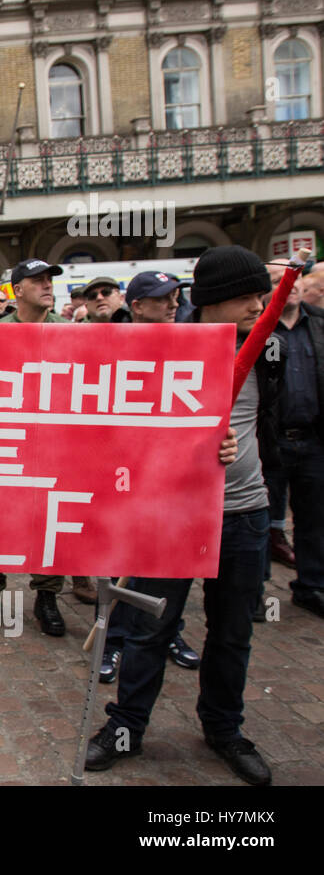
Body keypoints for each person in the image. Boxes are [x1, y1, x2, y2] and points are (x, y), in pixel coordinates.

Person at [86, 246, 281, 786]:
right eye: (245, 296)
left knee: (233, 631)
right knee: (151, 626)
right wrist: (186, 451)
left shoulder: (267, 350)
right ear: (214, 299)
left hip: (244, 511)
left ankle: (224, 728)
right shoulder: (163, 351)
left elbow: (277, 420)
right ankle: (124, 728)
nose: (256, 306)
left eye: (261, 295)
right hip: (173, 512)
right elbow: (127, 431)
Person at [98, 272, 203, 682]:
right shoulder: (109, 347)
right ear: (137, 305)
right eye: (161, 299)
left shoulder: (193, 346)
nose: (173, 304)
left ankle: (168, 631)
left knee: (165, 561)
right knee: (119, 559)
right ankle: (111, 641)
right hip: (120, 473)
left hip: (170, 475)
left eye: (175, 297)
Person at [0, 259, 78, 632]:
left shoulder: (73, 332)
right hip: (6, 439)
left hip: (56, 441)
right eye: (37, 280)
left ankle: (47, 596)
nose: (46, 285)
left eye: (49, 280)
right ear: (17, 290)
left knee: (49, 518)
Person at [262, 259, 324, 619]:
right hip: (272, 441)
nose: (292, 284)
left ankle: (311, 585)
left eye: (296, 277)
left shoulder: (317, 324)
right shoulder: (262, 329)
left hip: (313, 439)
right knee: (265, 520)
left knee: (314, 518)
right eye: (280, 279)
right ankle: (258, 591)